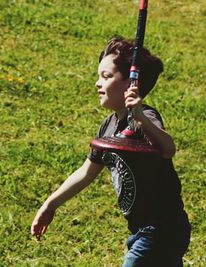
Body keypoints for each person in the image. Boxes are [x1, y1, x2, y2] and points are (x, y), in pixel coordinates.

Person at [30, 36, 191, 267]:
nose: (97, 83)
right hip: (140, 228)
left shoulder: (145, 118)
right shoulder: (109, 126)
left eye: (106, 76)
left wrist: (140, 117)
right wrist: (50, 205)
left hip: (161, 228)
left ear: (130, 84)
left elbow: (167, 149)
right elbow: (86, 172)